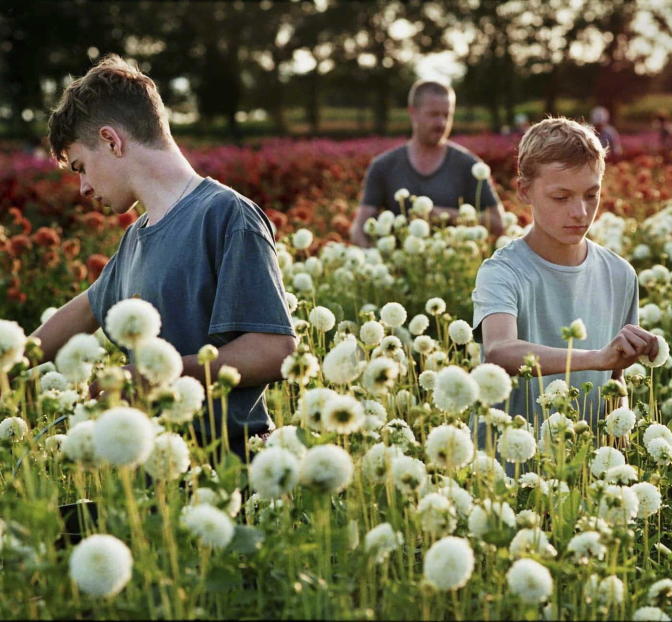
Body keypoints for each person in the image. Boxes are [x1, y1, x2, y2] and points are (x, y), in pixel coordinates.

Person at [33, 55, 296, 456]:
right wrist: (7, 361)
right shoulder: (135, 239)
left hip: (230, 468)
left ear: (110, 140)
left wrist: (156, 375)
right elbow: (84, 311)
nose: (83, 188)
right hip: (155, 471)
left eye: (81, 167)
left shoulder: (225, 215)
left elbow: (273, 350)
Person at [472, 117, 659, 426]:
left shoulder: (620, 274)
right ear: (524, 190)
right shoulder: (502, 271)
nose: (580, 213)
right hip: (510, 463)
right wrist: (596, 358)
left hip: (586, 465)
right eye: (561, 197)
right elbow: (499, 350)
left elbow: (615, 377)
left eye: (591, 195)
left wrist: (618, 435)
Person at [350, 80, 504, 247]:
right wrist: (374, 258)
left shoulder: (469, 165)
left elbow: (497, 222)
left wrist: (445, 215)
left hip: (453, 265)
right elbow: (359, 229)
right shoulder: (383, 166)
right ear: (413, 113)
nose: (441, 123)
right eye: (433, 114)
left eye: (447, 115)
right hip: (400, 267)